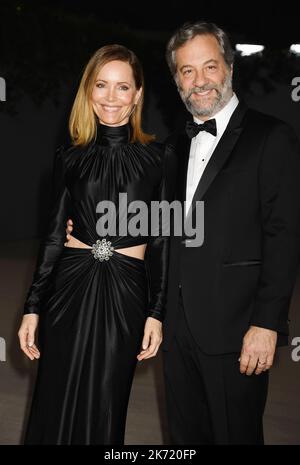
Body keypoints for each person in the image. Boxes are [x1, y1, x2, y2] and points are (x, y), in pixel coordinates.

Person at [18, 44, 170, 445]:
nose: (110, 97)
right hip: (69, 288)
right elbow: (53, 236)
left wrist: (157, 312)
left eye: (123, 87)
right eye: (101, 85)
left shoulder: (160, 158)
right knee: (55, 396)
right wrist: (33, 307)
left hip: (126, 292)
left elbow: (162, 241)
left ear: (138, 95)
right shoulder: (69, 157)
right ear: (88, 91)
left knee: (106, 400)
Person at [159, 21, 300, 444]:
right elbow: (160, 225)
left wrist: (266, 323)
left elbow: (285, 236)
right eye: (187, 71)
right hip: (175, 326)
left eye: (209, 67)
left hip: (238, 329)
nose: (199, 81)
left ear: (230, 69)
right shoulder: (174, 146)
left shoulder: (271, 137)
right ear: (177, 80)